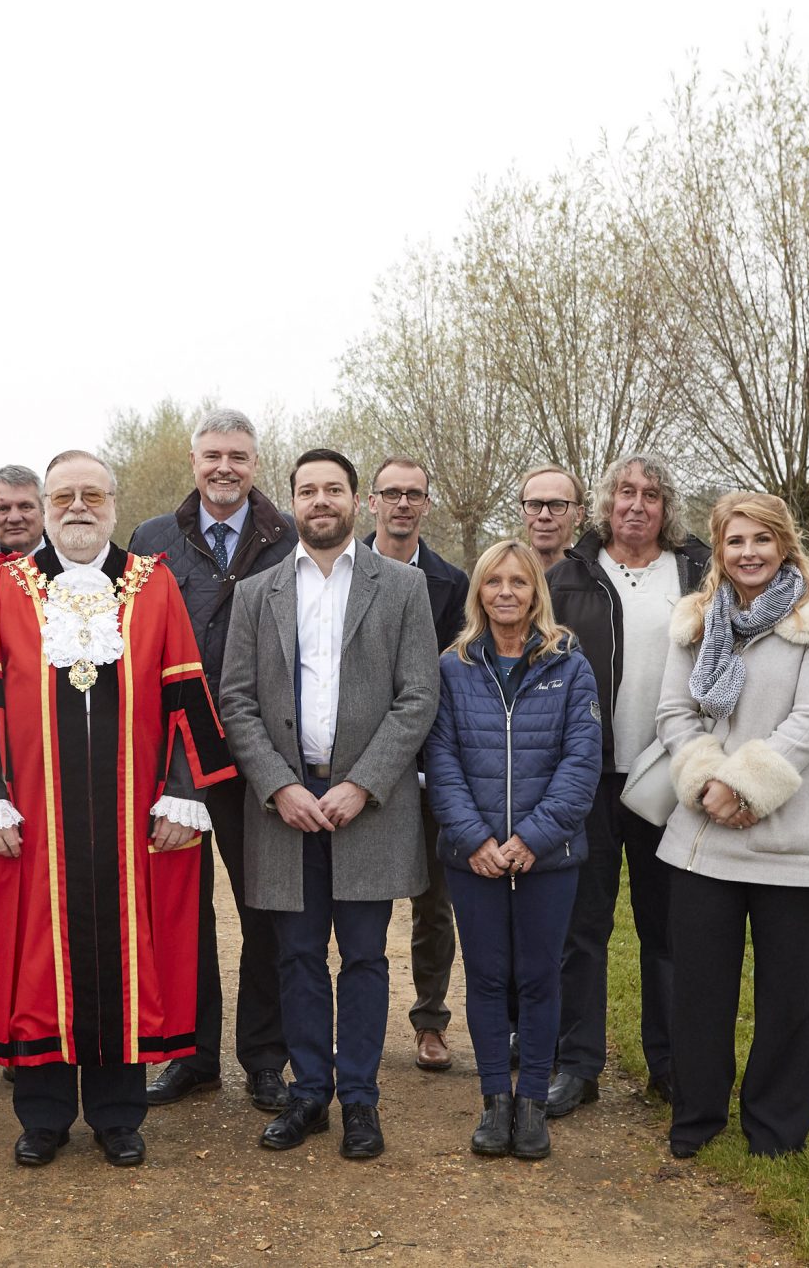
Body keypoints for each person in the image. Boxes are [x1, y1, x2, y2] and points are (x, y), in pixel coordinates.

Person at [0, 449, 235, 1169]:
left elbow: (185, 688)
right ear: (43, 504)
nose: (78, 505)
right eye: (64, 494)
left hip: (133, 817)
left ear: (112, 500)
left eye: (91, 494)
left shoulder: (153, 582)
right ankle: (41, 1117)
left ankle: (116, 1115)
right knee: (38, 960)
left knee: (125, 956)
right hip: (35, 819)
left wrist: (183, 789)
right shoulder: (8, 586)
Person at [218, 448, 440, 1161]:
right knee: (298, 955)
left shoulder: (403, 588)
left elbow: (418, 698)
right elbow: (237, 700)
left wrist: (362, 782)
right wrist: (280, 785)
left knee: (367, 955)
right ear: (291, 501)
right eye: (307, 489)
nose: (321, 500)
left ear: (355, 501)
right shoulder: (257, 593)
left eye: (334, 488)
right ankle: (310, 1091)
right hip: (285, 800)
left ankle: (362, 1100)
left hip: (367, 801)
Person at [656, 491, 809, 1159]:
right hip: (704, 836)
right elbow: (674, 715)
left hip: (792, 840)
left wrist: (744, 786)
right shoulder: (694, 621)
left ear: (784, 544)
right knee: (700, 987)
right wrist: (706, 782)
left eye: (761, 540)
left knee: (789, 996)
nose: (748, 553)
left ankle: (774, 1129)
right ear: (719, 548)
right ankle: (697, 1116)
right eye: (735, 541)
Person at [128, 407, 297, 1114]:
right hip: (174, 756)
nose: (224, 466)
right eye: (212, 455)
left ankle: (263, 1056)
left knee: (265, 908)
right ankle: (190, 1053)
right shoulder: (153, 538)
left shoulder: (285, 536)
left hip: (261, 751)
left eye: (238, 454)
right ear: (193, 462)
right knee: (180, 908)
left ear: (255, 462)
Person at [546, 455, 712, 1119]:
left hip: (669, 776)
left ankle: (671, 1064)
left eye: (650, 494)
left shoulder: (699, 575)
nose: (636, 505)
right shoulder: (567, 577)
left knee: (667, 927)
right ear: (605, 505)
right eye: (624, 493)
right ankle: (577, 1062)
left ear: (667, 507)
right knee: (580, 926)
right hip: (587, 778)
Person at [425, 540, 600, 1159]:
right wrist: (475, 839)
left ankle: (533, 1107)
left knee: (538, 977)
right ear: (478, 592)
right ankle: (495, 1101)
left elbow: (582, 763)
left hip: (547, 857)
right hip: (473, 858)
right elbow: (439, 760)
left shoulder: (568, 665)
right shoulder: (453, 667)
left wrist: (532, 837)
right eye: (493, 581)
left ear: (535, 593)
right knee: (489, 976)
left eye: (518, 582)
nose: (505, 592)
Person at [362, 456, 470, 1073]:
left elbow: (450, 677)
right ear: (370, 502)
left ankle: (430, 1021)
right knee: (364, 900)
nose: (403, 504)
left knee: (433, 900)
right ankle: (363, 1022)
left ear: (426, 504)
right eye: (391, 493)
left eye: (414, 495)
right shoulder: (344, 574)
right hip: (358, 761)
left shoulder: (451, 583)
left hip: (430, 763)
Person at [519, 464, 585, 573]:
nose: (544, 516)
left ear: (578, 515)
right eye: (534, 505)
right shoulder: (501, 577)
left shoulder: (598, 578)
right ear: (521, 513)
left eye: (557, 505)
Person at [0, 464, 46, 555]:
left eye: (25, 507)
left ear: (44, 512)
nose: (14, 518)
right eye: (3, 509)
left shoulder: (72, 562)